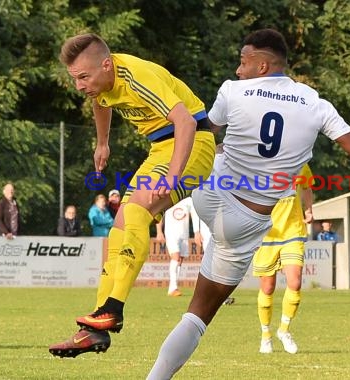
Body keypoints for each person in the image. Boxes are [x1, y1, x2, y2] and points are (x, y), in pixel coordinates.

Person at [147, 28, 350, 378]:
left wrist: (169, 171)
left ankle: (137, 218)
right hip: (246, 224)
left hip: (211, 194)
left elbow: (202, 138)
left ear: (263, 66)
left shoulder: (231, 91)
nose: (238, 70)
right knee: (196, 317)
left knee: (203, 143)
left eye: (243, 61)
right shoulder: (316, 104)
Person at [49, 33, 215, 357]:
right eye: (75, 79)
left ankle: (113, 308)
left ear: (107, 65)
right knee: (119, 228)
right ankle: (94, 329)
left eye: (84, 77)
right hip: (162, 147)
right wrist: (102, 142)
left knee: (138, 208)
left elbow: (185, 121)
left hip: (193, 144)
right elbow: (100, 102)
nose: (80, 86)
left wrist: (174, 174)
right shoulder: (103, 84)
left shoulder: (136, 77)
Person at [253, 163, 313, 355]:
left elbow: (307, 185)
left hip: (293, 231)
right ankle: (266, 335)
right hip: (267, 234)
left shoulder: (300, 162)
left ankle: (284, 330)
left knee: (295, 283)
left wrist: (308, 209)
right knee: (267, 287)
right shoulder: (258, 165)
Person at [155, 197, 202, 297]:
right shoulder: (169, 197)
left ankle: (174, 286)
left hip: (184, 235)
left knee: (180, 260)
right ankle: (173, 287)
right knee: (175, 257)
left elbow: (195, 215)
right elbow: (159, 215)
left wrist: (196, 232)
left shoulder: (189, 200)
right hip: (171, 234)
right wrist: (159, 232)